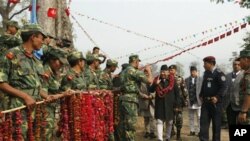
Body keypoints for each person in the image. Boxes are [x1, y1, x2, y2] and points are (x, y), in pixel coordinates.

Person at [0, 23, 53, 140]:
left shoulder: (36, 60)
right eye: (41, 38)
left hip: (34, 110)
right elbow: (2, 83)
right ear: (33, 37)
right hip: (18, 110)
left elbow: (34, 86)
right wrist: (25, 96)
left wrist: (46, 96)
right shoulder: (11, 55)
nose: (43, 41)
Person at [118, 54, 153, 141]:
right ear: (136, 61)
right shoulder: (133, 71)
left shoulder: (123, 72)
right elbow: (150, 81)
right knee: (131, 126)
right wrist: (149, 71)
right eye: (138, 62)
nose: (139, 64)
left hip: (123, 100)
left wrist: (142, 95)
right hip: (131, 101)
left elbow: (131, 86)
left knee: (123, 125)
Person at [42, 48, 71, 140]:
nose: (61, 65)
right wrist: (63, 94)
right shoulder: (45, 71)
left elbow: (55, 91)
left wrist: (65, 92)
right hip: (44, 109)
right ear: (52, 60)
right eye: (60, 62)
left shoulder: (54, 72)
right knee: (44, 135)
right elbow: (43, 94)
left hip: (51, 108)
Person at [199, 56, 227, 141]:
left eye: (205, 63)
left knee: (216, 126)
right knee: (203, 125)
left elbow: (224, 87)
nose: (203, 65)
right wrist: (201, 94)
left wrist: (217, 97)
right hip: (206, 104)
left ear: (211, 64)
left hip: (215, 104)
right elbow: (204, 85)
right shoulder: (206, 73)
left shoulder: (219, 73)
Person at [150, 64, 181, 141]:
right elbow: (150, 90)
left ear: (168, 72)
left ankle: (167, 137)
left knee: (169, 122)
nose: (163, 73)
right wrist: (155, 84)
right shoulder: (156, 79)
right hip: (160, 105)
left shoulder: (172, 81)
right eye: (162, 72)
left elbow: (177, 94)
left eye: (165, 72)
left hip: (170, 105)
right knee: (159, 121)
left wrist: (177, 105)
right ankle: (160, 138)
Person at [169, 64, 188, 141]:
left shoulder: (180, 78)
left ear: (175, 70)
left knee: (179, 118)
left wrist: (186, 99)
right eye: (170, 70)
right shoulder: (167, 78)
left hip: (179, 101)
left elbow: (184, 89)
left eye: (172, 70)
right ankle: (171, 131)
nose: (171, 71)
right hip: (170, 101)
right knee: (170, 118)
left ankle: (178, 134)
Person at [225, 58, 244, 127]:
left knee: (241, 125)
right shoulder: (227, 76)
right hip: (229, 104)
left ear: (241, 65)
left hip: (240, 104)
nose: (236, 66)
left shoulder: (244, 75)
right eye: (235, 64)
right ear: (232, 65)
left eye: (238, 64)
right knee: (231, 124)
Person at [138, 68, 156, 139]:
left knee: (153, 117)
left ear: (150, 72)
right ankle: (147, 131)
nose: (146, 73)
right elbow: (138, 91)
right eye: (145, 72)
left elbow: (157, 90)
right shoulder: (140, 81)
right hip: (144, 101)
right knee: (146, 118)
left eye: (148, 72)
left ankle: (152, 132)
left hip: (152, 101)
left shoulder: (154, 80)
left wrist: (152, 96)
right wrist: (143, 96)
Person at [185, 66, 203, 136]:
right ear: (190, 71)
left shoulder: (201, 79)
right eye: (192, 71)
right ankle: (192, 130)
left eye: (194, 71)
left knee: (199, 117)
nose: (193, 73)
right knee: (191, 117)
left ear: (196, 71)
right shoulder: (186, 80)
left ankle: (199, 131)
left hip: (198, 101)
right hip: (190, 101)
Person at [237, 50, 250, 125]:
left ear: (246, 59)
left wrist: (243, 111)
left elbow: (248, 93)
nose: (239, 63)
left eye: (240, 60)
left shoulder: (248, 75)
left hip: (247, 112)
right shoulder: (246, 73)